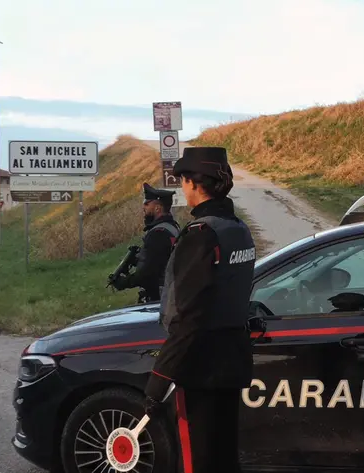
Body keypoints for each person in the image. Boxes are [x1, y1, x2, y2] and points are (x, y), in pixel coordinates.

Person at [143, 147, 256, 473]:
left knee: (198, 462)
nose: (182, 189)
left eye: (183, 181)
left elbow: (189, 318)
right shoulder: (238, 229)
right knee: (224, 457)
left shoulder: (201, 235)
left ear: (194, 183)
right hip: (232, 361)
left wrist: (158, 381)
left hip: (200, 367)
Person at [109, 183, 180, 302]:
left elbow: (146, 274)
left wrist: (123, 282)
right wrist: (138, 259)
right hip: (170, 293)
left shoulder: (158, 233)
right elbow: (160, 260)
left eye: (147, 204)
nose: (144, 208)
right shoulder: (173, 227)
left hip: (159, 296)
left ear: (158, 208)